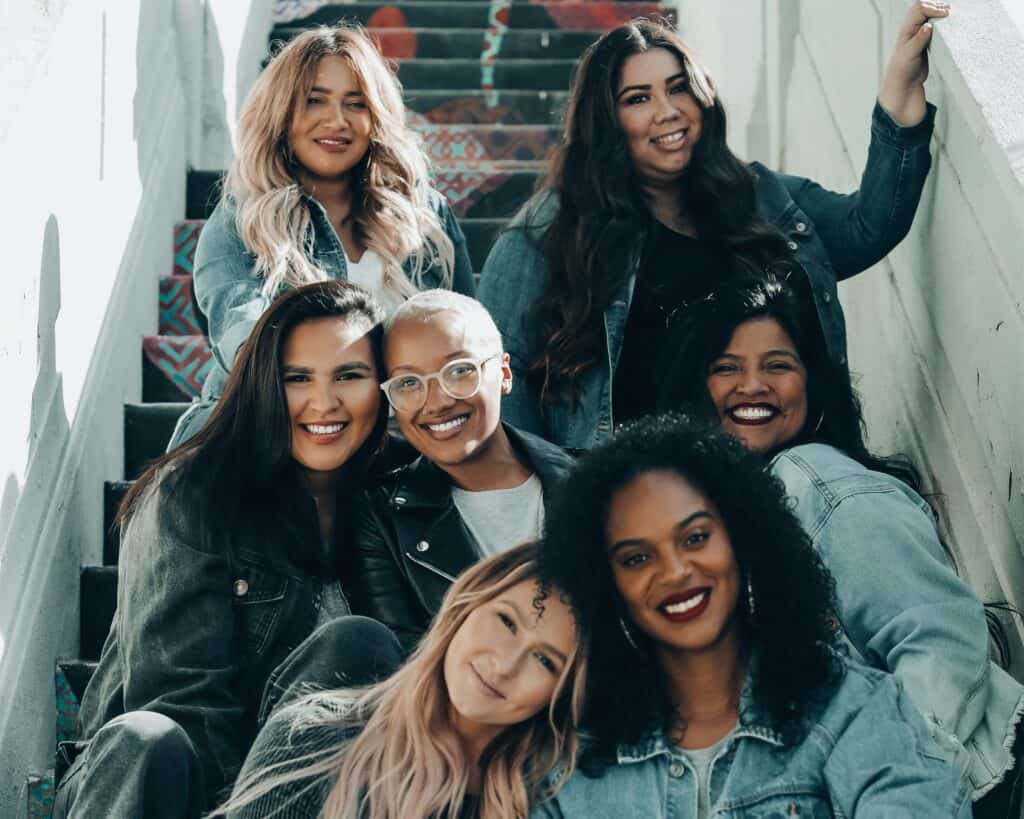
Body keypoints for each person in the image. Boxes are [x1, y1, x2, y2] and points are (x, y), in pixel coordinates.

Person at [477, 2, 948, 451]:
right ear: (606, 122)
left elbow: (866, 228)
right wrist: (544, 497)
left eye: (679, 87)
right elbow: (504, 375)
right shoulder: (549, 233)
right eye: (638, 98)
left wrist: (897, 101)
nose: (668, 110)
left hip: (779, 477)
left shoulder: (762, 197)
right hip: (641, 501)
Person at [666, 271, 1024, 817]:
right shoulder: (727, 518)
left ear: (811, 383)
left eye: (778, 365)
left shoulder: (820, 484)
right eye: (727, 368)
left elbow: (940, 643)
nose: (753, 385)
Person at [53, 281, 400, 818]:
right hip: (163, 781)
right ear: (263, 386)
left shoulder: (397, 496)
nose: (324, 402)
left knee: (357, 644)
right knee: (146, 739)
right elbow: (180, 703)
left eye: (350, 376)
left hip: (296, 788)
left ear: (383, 386)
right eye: (296, 379)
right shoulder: (193, 493)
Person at [535, 414, 971, 818]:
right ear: (604, 583)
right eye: (636, 558)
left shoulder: (851, 709)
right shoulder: (571, 765)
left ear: (743, 538)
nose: (675, 571)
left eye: (696, 537)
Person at [170, 25, 474, 448]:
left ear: (377, 118)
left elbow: (466, 337)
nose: (337, 121)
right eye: (315, 100)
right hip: (271, 439)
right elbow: (246, 342)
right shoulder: (244, 219)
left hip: (399, 447)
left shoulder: (424, 215)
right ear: (282, 111)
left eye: (356, 103)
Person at [212, 542, 588, 819]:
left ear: (561, 693)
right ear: (466, 605)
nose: (505, 665)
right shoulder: (312, 736)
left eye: (545, 660)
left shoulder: (554, 799)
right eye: (505, 621)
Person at [346, 290, 574, 652]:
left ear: (503, 373)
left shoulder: (593, 484)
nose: (437, 402)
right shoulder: (382, 519)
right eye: (408, 383)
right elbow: (408, 670)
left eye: (459, 371)